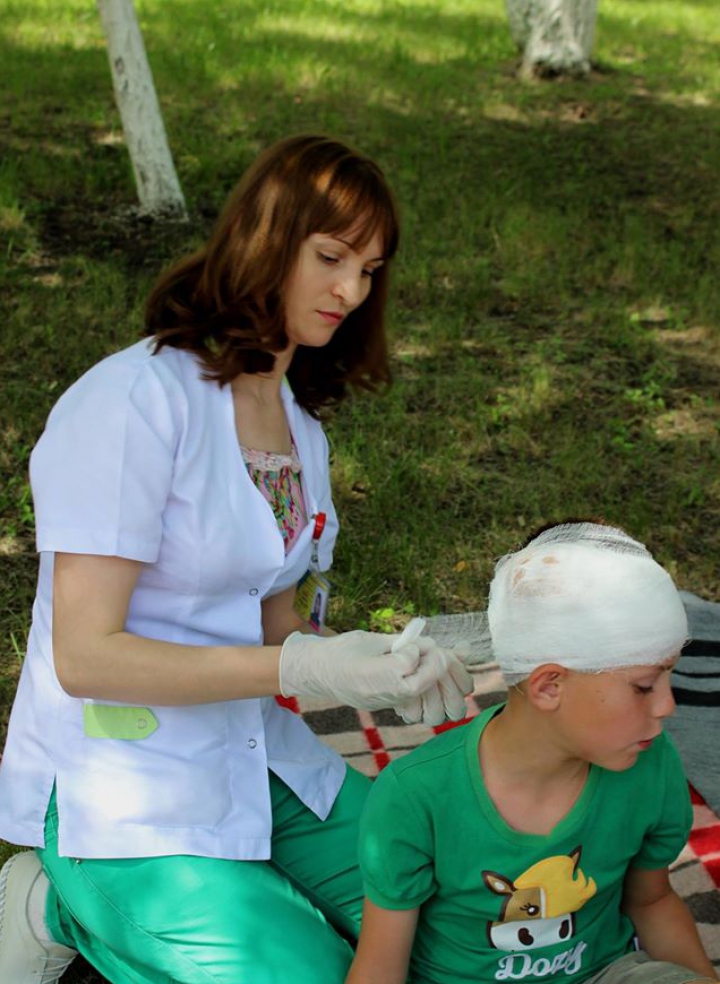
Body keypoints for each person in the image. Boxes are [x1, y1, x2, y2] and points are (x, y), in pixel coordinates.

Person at [0, 134, 473, 984]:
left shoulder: (301, 428)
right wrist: (302, 662)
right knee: (314, 974)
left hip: (259, 754)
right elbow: (86, 657)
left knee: (460, 923)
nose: (351, 291)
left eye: (370, 269)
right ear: (265, 239)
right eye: (330, 257)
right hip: (126, 789)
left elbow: (274, 618)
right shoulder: (131, 404)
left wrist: (373, 661)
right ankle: (57, 898)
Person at [346, 521, 719, 984]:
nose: (668, 706)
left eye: (668, 679)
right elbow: (381, 968)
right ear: (549, 685)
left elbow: (651, 900)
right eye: (644, 686)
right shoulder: (416, 796)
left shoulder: (650, 762)